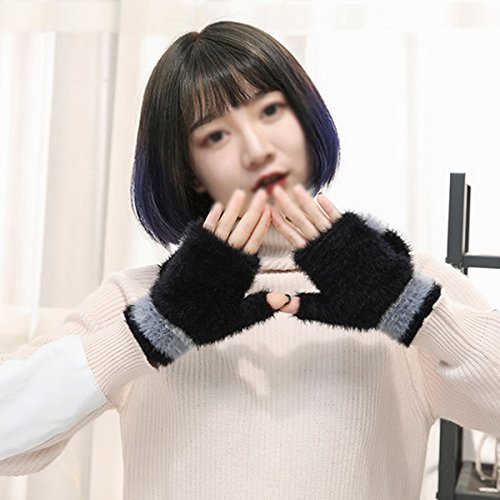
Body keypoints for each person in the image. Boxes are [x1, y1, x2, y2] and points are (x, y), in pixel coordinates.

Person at [1, 20, 500, 500]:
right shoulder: (140, 300)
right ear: (190, 171)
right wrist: (147, 332)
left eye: (270, 111)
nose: (258, 149)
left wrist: (413, 309)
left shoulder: (402, 281)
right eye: (215, 135)